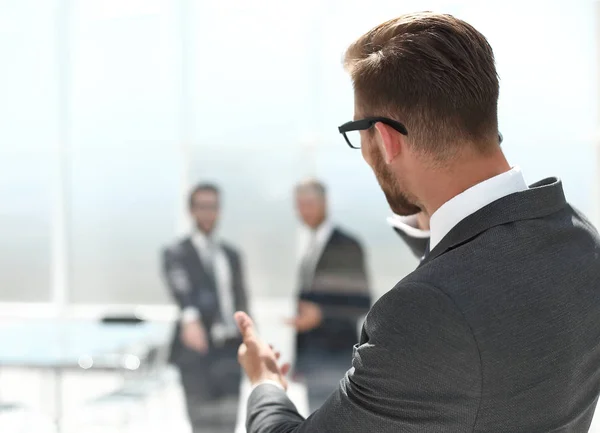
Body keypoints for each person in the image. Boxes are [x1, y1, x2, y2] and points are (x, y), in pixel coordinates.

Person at [235, 12, 600, 433]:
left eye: (359, 131)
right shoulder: (579, 241)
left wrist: (264, 383)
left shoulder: (425, 311)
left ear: (386, 139)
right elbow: (484, 267)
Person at [161, 182, 248, 433]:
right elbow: (181, 286)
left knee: (228, 424)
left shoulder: (231, 255)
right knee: (203, 425)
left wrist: (252, 342)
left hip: (231, 351)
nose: (208, 212)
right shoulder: (176, 253)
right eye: (202, 206)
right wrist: (190, 317)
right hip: (197, 352)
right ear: (191, 210)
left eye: (213, 206)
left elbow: (242, 301)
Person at [286, 179, 371, 412]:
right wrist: (299, 362)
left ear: (325, 203)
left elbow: (362, 302)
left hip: (336, 357)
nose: (304, 210)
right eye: (299, 204)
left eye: (309, 203)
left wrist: (321, 314)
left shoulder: (347, 246)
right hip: (313, 361)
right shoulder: (309, 248)